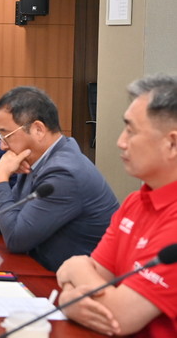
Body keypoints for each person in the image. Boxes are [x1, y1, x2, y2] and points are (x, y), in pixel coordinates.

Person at [0, 86, 118, 272]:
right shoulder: (39, 157)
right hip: (39, 267)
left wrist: (0, 179)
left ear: (38, 129)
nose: (2, 146)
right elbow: (11, 211)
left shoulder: (63, 172)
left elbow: (16, 238)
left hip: (66, 279)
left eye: (6, 135)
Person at [56, 75, 177, 337]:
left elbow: (120, 317)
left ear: (172, 143)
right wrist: (68, 299)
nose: (121, 142)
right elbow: (96, 275)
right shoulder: (135, 202)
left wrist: (76, 269)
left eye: (131, 131)